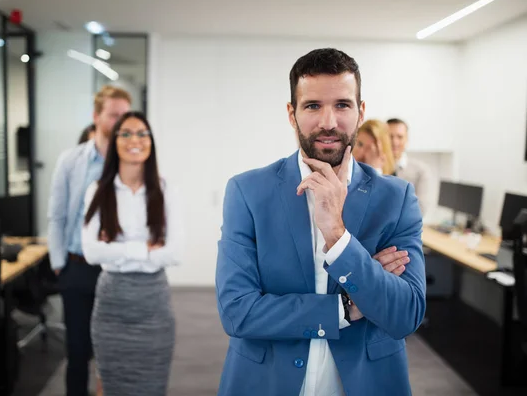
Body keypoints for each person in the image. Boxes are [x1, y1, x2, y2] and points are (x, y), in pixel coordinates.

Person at [216, 48, 425, 396]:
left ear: (360, 112)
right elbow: (238, 313)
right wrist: (343, 307)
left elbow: (405, 314)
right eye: (313, 106)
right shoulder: (247, 192)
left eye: (342, 105)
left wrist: (337, 235)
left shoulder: (396, 197)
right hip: (266, 383)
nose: (328, 121)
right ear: (292, 114)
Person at [81, 111, 183, 396]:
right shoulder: (98, 191)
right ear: (114, 141)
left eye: (142, 133)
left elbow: (174, 253)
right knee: (112, 386)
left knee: (152, 386)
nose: (134, 140)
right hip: (112, 307)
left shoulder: (166, 191)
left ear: (150, 142)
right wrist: (144, 248)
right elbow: (91, 252)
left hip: (153, 307)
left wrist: (114, 249)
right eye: (125, 133)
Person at [47, 85, 132, 396]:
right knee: (78, 351)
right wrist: (59, 264)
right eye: (114, 115)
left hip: (118, 270)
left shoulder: (133, 161)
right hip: (78, 267)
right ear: (96, 116)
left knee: (115, 351)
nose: (121, 122)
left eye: (126, 115)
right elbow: (56, 216)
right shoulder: (71, 161)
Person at [387, 118, 434, 214]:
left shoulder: (421, 170)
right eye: (390, 136)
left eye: (399, 137)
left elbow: (420, 210)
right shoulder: (373, 168)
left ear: (407, 139)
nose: (394, 142)